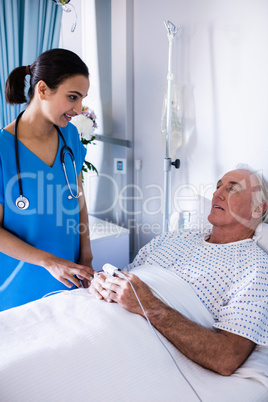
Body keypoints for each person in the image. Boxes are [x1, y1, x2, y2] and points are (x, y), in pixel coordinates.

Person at [90, 167, 268, 376]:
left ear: (258, 209)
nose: (216, 193)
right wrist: (105, 282)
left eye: (232, 189)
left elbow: (227, 358)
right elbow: (128, 281)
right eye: (218, 186)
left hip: (124, 341)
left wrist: (149, 306)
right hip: (93, 312)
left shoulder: (256, 268)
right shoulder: (176, 237)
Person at [0, 49, 94, 311]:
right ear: (42, 89)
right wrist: (49, 261)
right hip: (18, 282)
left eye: (82, 99)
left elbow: (79, 200)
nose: (78, 109)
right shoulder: (2, 150)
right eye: (72, 97)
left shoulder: (71, 137)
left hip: (69, 277)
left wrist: (86, 253)